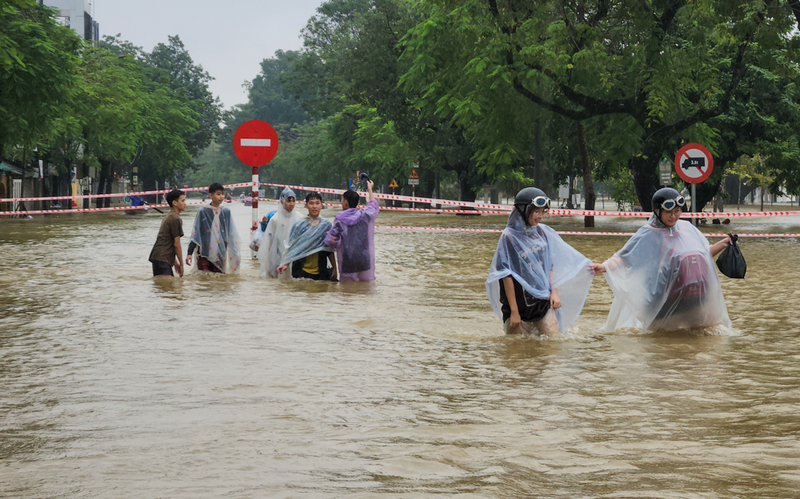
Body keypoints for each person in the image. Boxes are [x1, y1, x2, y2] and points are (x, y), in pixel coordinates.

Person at [590, 187, 733, 333]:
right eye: (668, 212)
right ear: (658, 212)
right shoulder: (648, 234)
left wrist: (722, 244)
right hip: (664, 299)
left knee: (698, 342)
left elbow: (704, 254)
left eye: (677, 211)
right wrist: (603, 267)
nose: (673, 216)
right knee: (659, 341)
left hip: (695, 298)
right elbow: (625, 258)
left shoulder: (687, 228)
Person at [486, 187, 594, 337]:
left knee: (551, 345)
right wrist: (514, 312)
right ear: (524, 209)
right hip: (518, 305)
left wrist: (554, 292)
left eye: (543, 212)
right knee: (515, 353)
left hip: (542, 303)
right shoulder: (509, 237)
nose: (541, 216)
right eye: (537, 212)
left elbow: (548, 265)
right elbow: (506, 275)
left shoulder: (542, 232)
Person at [325, 180, 379, 282]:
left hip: (347, 262)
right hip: (365, 260)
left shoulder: (339, 220)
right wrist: (370, 188)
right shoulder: (365, 215)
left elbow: (331, 241)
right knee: (365, 288)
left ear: (345, 202)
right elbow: (373, 205)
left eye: (342, 200)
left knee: (348, 291)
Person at [276, 192, 338, 281]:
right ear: (306, 206)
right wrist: (285, 263)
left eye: (317, 203)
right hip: (300, 270)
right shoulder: (299, 225)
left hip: (320, 271)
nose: (314, 206)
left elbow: (329, 249)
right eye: (311, 203)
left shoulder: (326, 225)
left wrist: (335, 268)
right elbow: (292, 247)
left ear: (321, 205)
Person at [186, 183, 242, 274]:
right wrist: (189, 253)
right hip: (204, 253)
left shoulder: (226, 212)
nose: (221, 197)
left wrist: (236, 255)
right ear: (211, 195)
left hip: (220, 254)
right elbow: (196, 233)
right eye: (218, 194)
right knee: (204, 280)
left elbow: (231, 235)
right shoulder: (203, 212)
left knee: (219, 281)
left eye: (222, 194)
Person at [258, 188, 302, 278]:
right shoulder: (275, 219)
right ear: (282, 201)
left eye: (293, 201)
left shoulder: (300, 218)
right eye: (289, 201)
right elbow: (268, 241)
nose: (292, 204)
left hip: (294, 259)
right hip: (277, 257)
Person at [148, 189, 186, 277]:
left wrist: (174, 261)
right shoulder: (175, 218)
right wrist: (181, 264)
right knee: (167, 287)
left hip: (159, 257)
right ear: (174, 203)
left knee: (163, 287)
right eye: (182, 201)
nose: (185, 203)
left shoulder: (170, 216)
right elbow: (176, 244)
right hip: (162, 258)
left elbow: (167, 241)